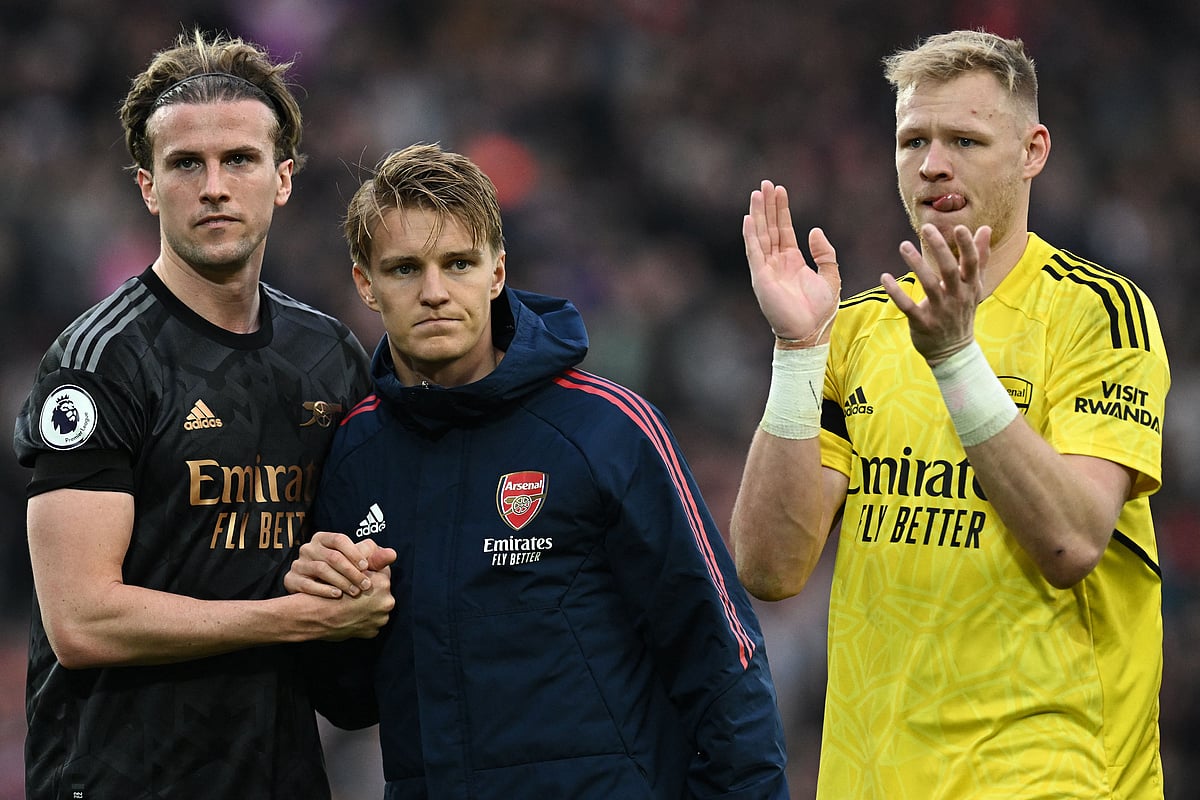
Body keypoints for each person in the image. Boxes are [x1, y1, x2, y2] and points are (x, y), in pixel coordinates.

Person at [731, 30, 1168, 798]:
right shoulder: (858, 329)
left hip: (1049, 779)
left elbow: (1070, 543)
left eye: (965, 138)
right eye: (914, 140)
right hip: (872, 778)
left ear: (1033, 151)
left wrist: (955, 358)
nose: (933, 163)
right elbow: (768, 569)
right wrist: (798, 350)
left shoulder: (1098, 314)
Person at [282, 142, 790, 798]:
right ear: (365, 283)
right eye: (405, 268)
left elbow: (724, 662)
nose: (434, 292)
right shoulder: (354, 454)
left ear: (497, 272)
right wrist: (323, 613)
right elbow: (352, 701)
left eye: (457, 264)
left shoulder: (608, 430)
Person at [13, 30, 393, 800]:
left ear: (282, 179)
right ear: (149, 187)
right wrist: (291, 618)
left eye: (240, 160)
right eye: (187, 164)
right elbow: (82, 620)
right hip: (120, 776)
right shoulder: (97, 362)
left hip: (278, 773)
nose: (214, 185)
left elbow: (365, 541)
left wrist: (358, 573)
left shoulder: (330, 356)